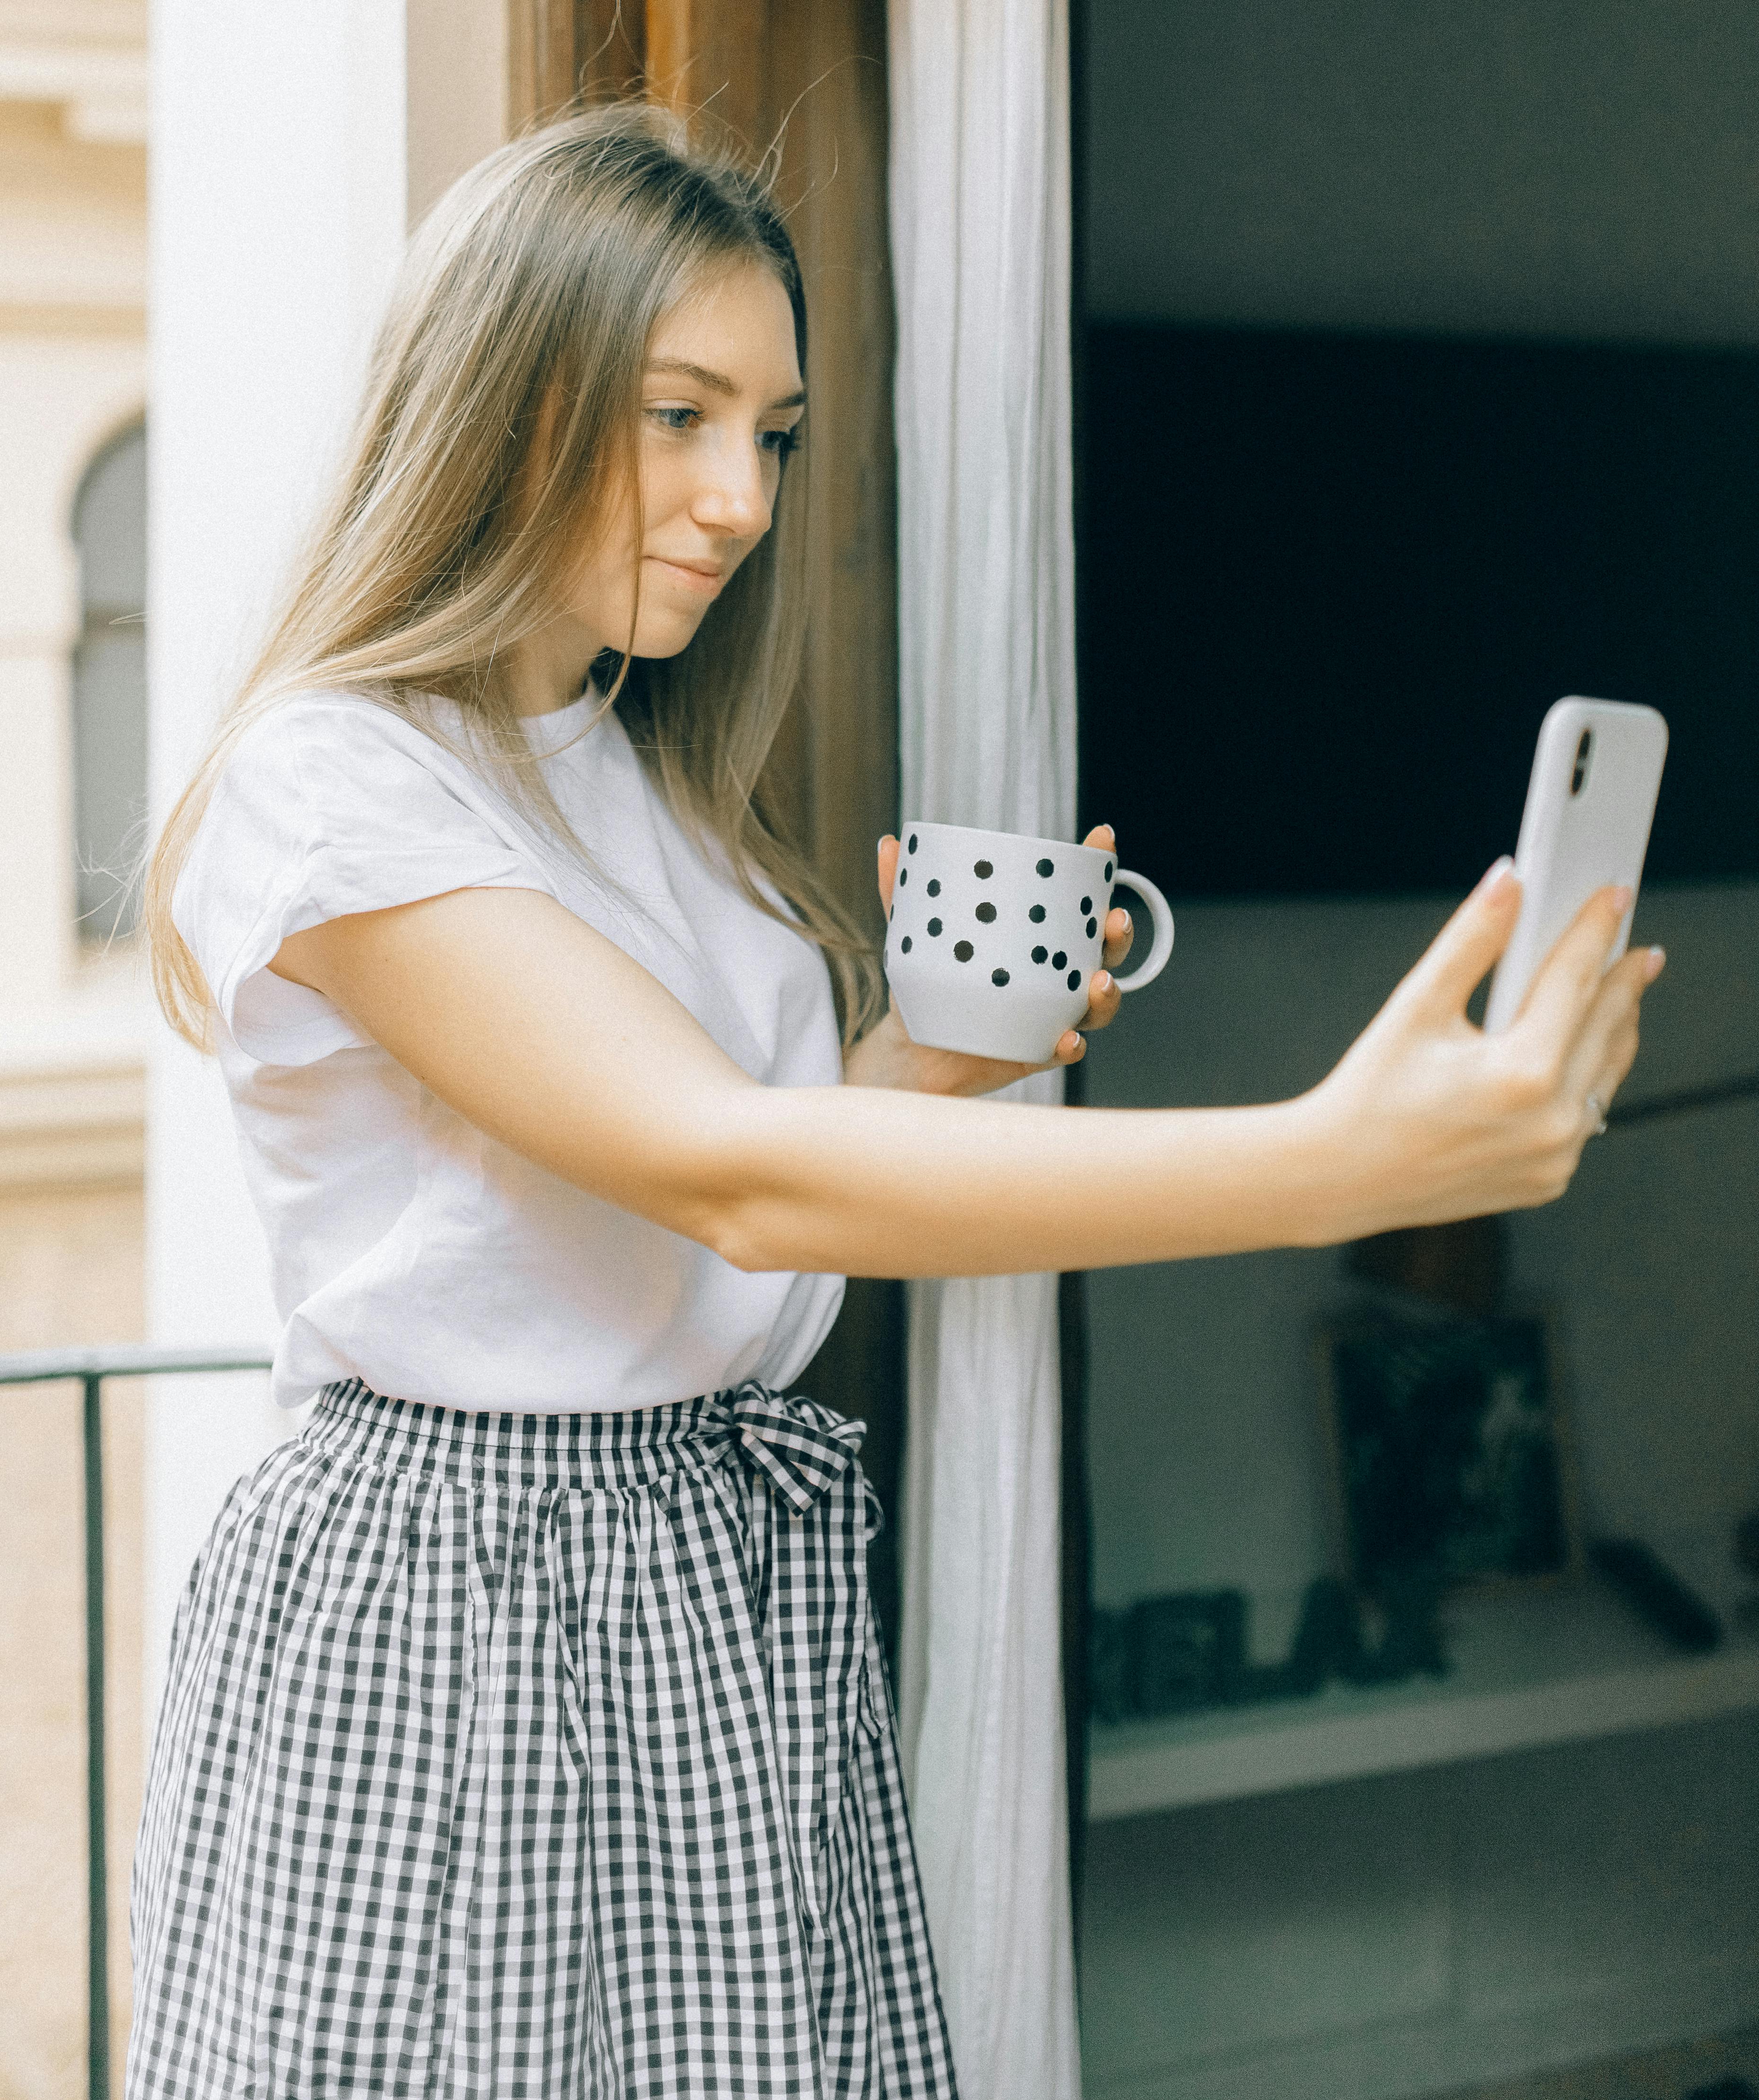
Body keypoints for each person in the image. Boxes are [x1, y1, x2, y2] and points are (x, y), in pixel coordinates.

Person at [125, 106, 1658, 2100]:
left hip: (702, 1560)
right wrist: (1324, 1162)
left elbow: (727, 1160)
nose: (740, 494)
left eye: (768, 432)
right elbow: (734, 1174)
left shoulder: (629, 765)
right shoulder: (333, 786)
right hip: (469, 1601)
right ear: (501, 396)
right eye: (679, 413)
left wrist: (952, 1053)